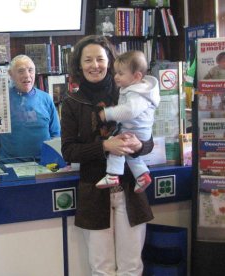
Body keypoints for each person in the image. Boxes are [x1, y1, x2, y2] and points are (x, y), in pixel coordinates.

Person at [60, 35, 154, 275]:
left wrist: (138, 145)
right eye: (88, 60)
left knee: (131, 266)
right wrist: (105, 146)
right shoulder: (71, 102)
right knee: (101, 268)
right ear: (79, 65)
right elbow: (69, 150)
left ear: (110, 62)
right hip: (94, 191)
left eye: (100, 59)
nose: (95, 65)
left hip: (130, 190)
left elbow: (149, 141)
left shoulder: (128, 93)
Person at [96, 50, 160, 193]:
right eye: (116, 73)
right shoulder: (136, 89)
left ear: (136, 76)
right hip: (139, 130)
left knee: (116, 143)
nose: (116, 77)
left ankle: (112, 174)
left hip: (136, 130)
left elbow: (129, 111)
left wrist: (108, 113)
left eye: (120, 73)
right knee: (129, 154)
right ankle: (142, 175)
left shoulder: (137, 93)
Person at [0, 54, 61, 161]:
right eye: (21, 71)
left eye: (30, 70)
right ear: (11, 74)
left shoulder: (46, 99)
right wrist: (2, 159)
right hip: (10, 165)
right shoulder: (0, 100)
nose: (27, 75)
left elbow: (56, 134)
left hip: (44, 164)